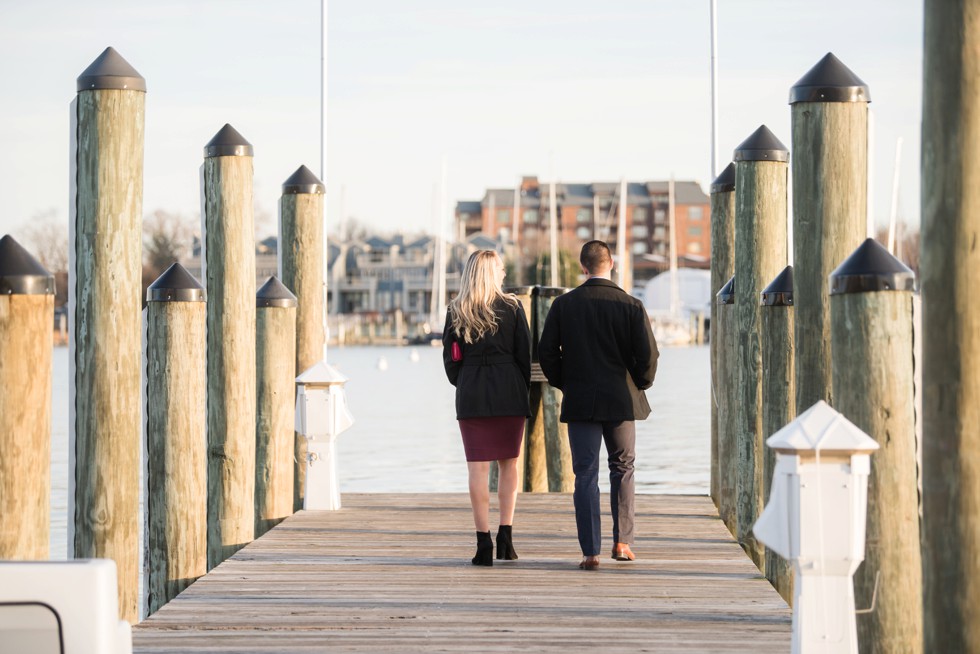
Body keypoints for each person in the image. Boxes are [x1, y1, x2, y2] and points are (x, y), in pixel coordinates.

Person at [538, 240, 659, 570]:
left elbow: (546, 353)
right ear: (613, 264)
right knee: (623, 468)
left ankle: (590, 551)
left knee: (585, 475)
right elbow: (648, 356)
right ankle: (622, 542)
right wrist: (638, 384)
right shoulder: (632, 305)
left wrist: (567, 381)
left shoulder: (564, 306)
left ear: (583, 267)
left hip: (581, 401)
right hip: (621, 399)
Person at [443, 250, 531, 566]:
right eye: (501, 269)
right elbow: (525, 355)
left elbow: (451, 360)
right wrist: (517, 387)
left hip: (472, 394)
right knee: (510, 464)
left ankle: (484, 543)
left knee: (477, 469)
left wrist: (467, 381)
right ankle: (506, 535)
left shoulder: (456, 310)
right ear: (492, 273)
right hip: (509, 391)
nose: (504, 273)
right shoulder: (513, 307)